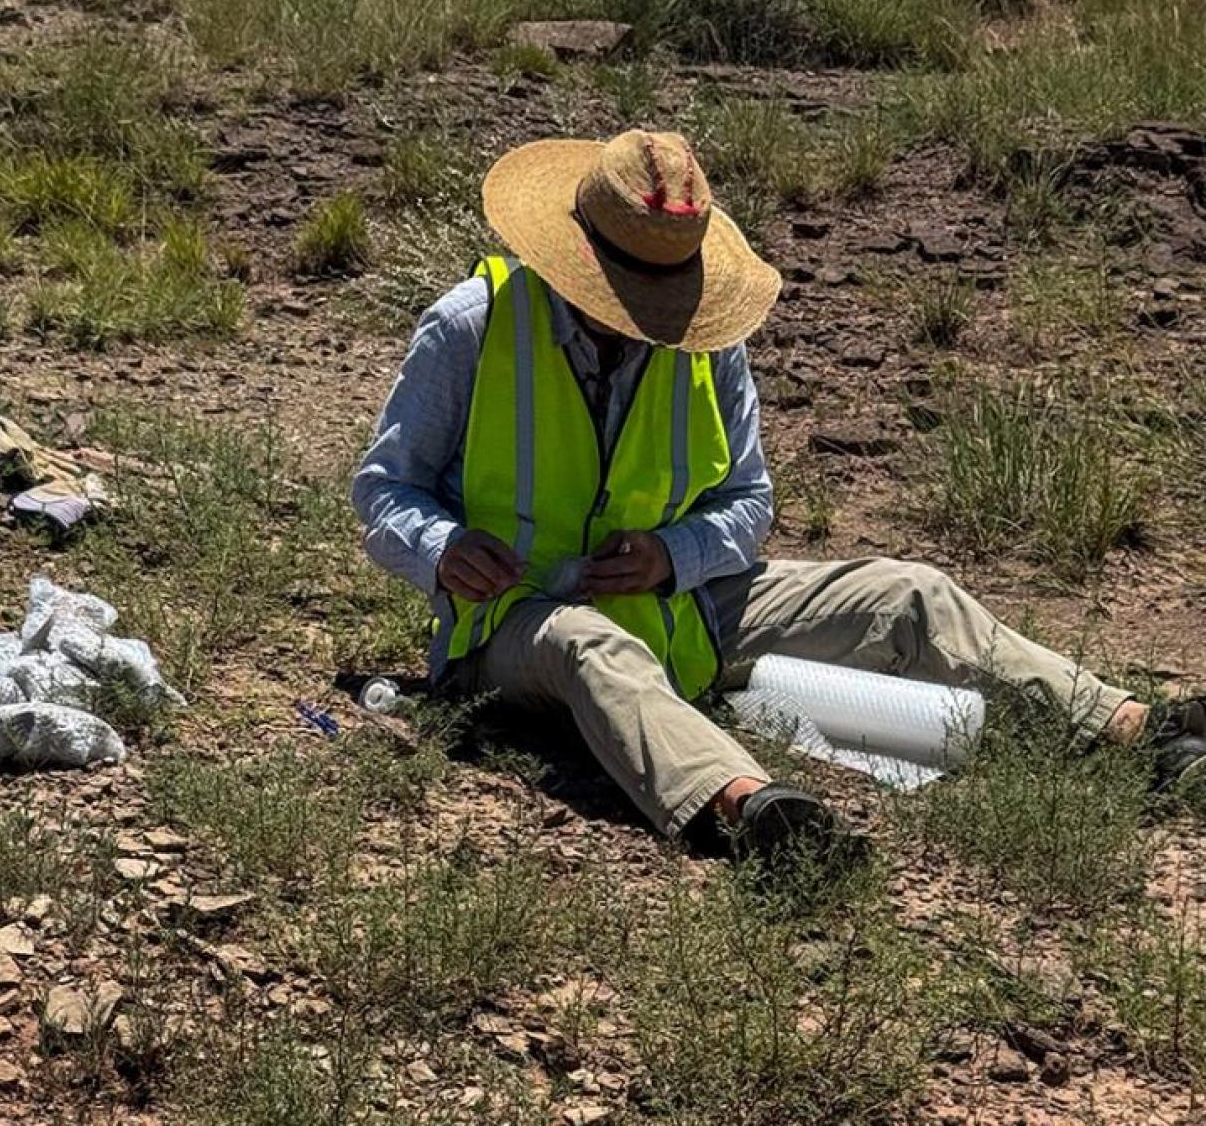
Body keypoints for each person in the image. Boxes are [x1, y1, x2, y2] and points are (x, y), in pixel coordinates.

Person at [351, 129, 1204, 860]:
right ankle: (751, 810)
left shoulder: (703, 334)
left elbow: (748, 503)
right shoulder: (471, 325)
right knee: (589, 645)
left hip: (681, 609)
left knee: (908, 592)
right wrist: (444, 548)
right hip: (514, 624)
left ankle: (1135, 731)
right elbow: (386, 489)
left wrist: (672, 555)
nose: (648, 316)